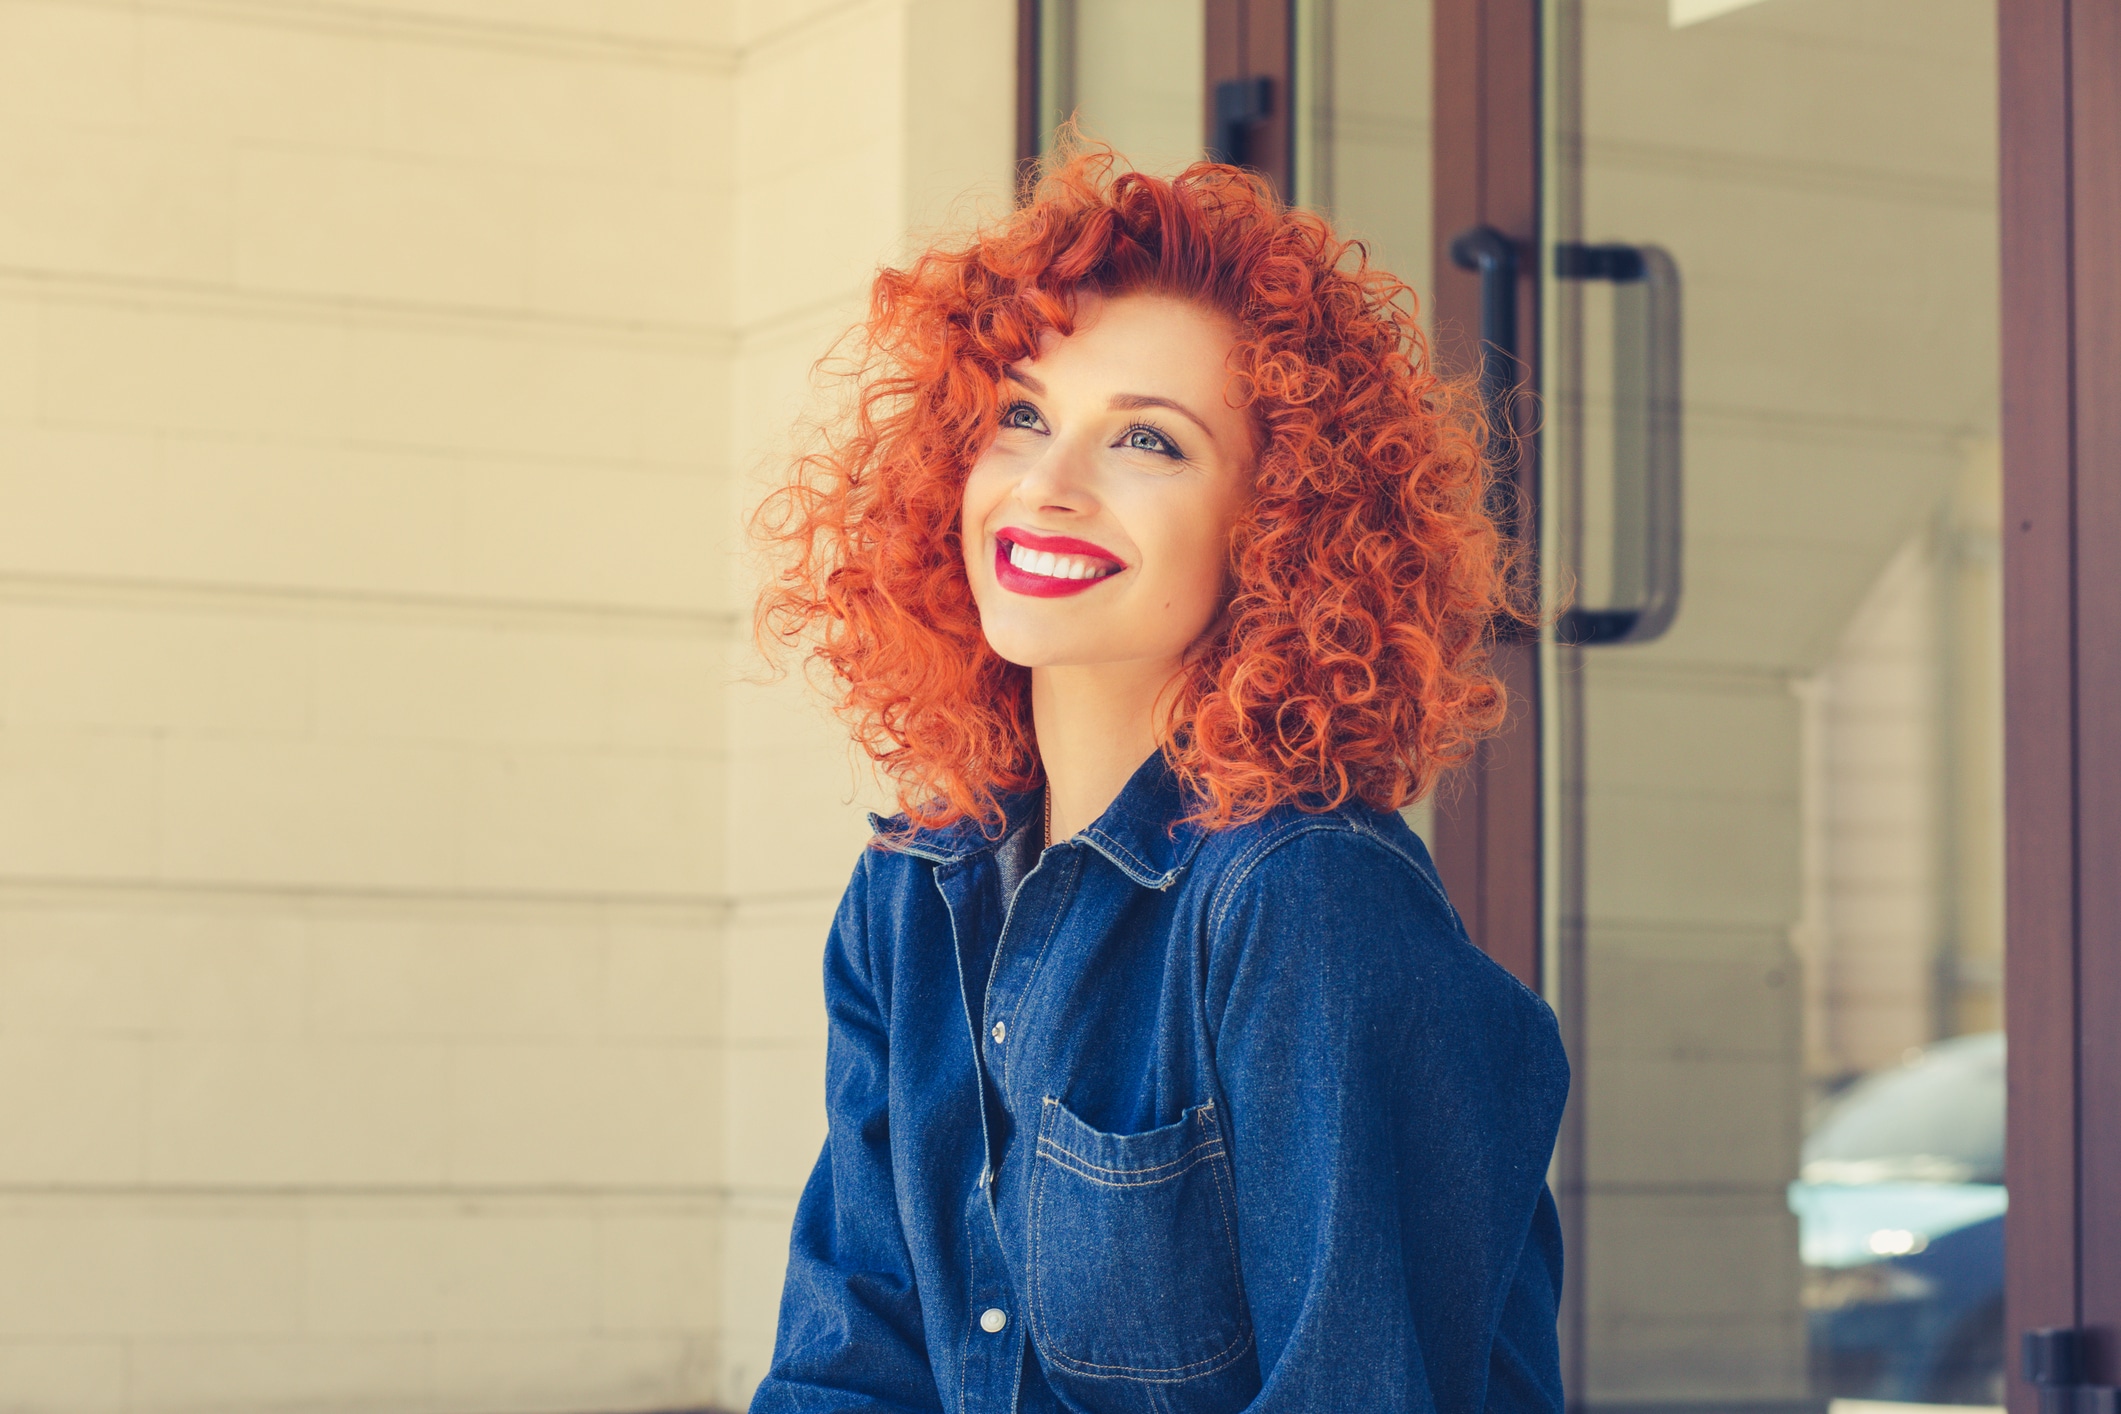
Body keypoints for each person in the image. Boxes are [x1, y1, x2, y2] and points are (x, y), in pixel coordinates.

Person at [748, 149, 1569, 1413]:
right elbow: (849, 1368)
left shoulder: (1302, 906)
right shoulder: (913, 893)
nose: (1047, 486)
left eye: (1147, 440)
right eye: (1020, 415)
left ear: (1284, 529)